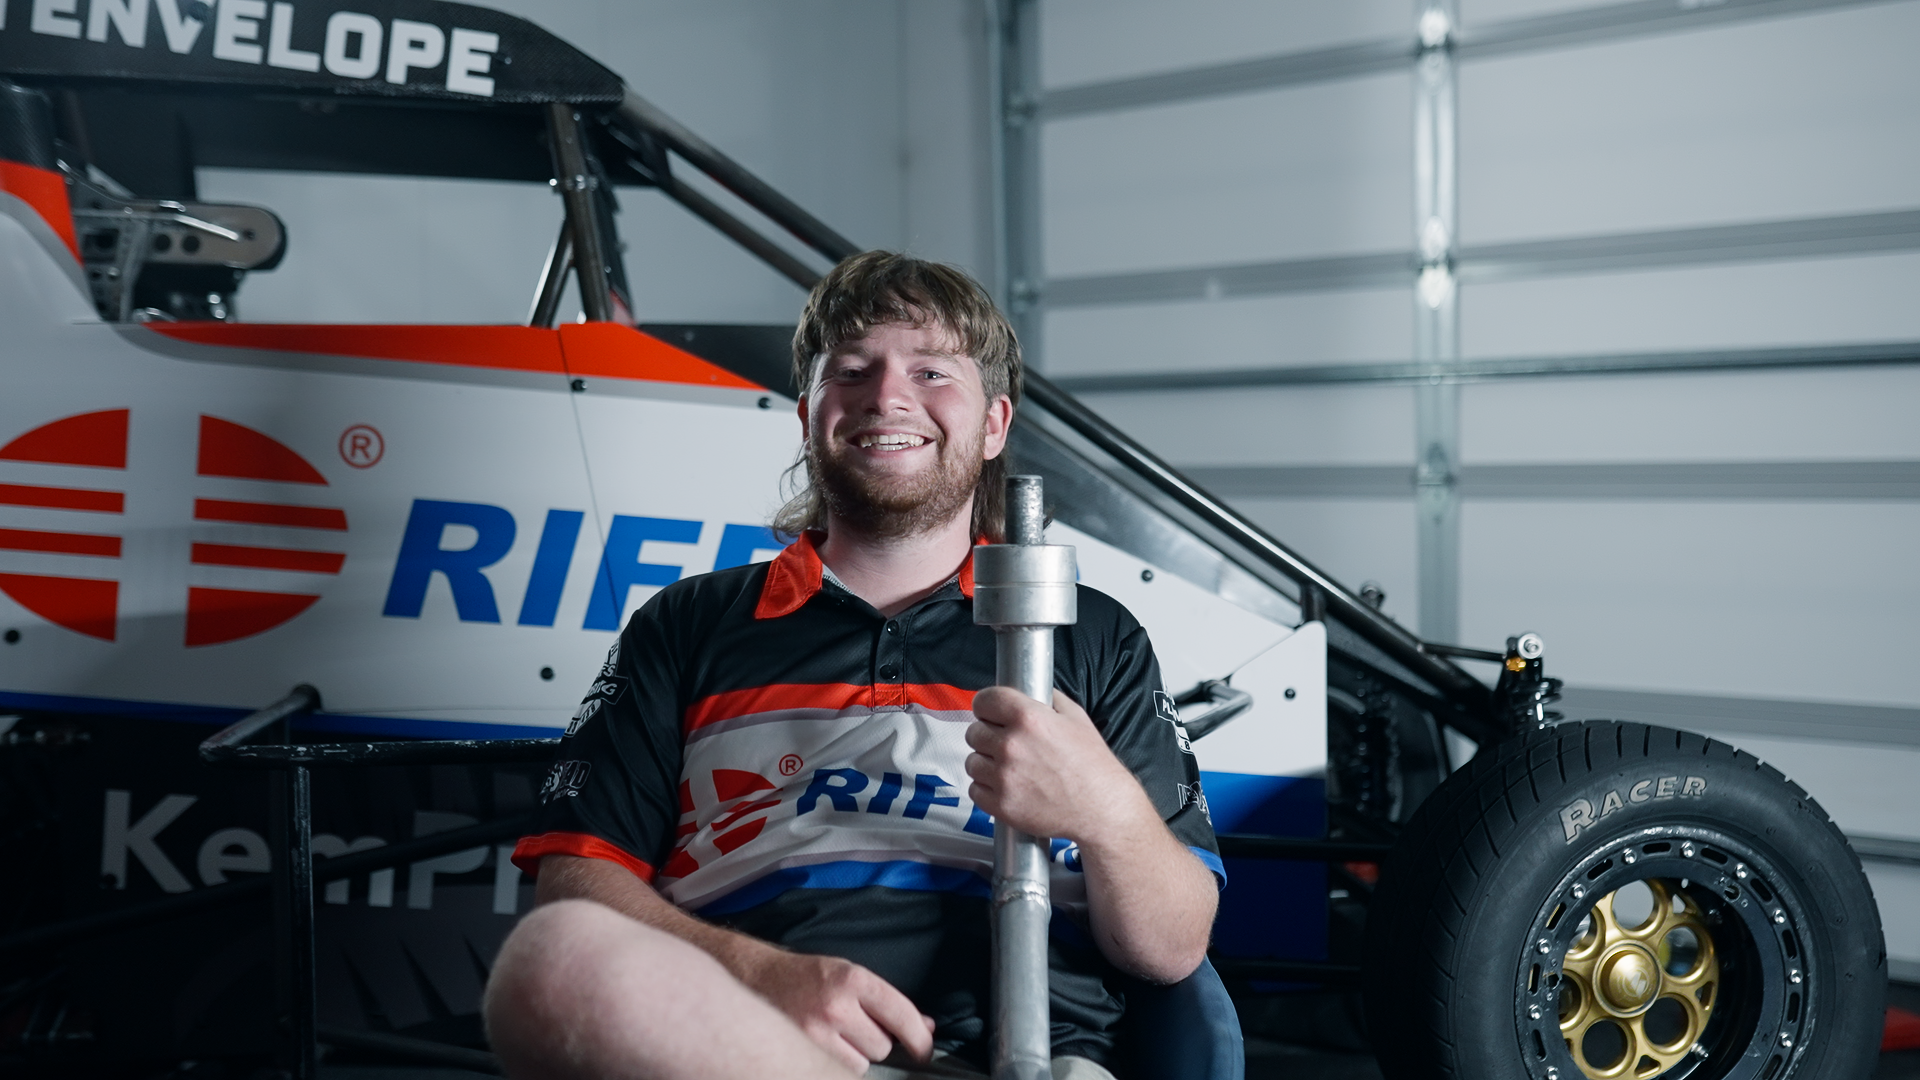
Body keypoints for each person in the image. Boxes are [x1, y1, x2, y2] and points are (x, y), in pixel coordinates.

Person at [485, 251, 1222, 1080]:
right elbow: (577, 884)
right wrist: (762, 978)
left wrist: (1105, 811)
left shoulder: (1087, 636)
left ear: (994, 425)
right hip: (761, 1051)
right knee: (551, 960)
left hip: (1041, 1057)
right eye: (853, 369)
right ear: (807, 414)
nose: (888, 396)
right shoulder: (688, 626)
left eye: (932, 370)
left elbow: (1172, 948)